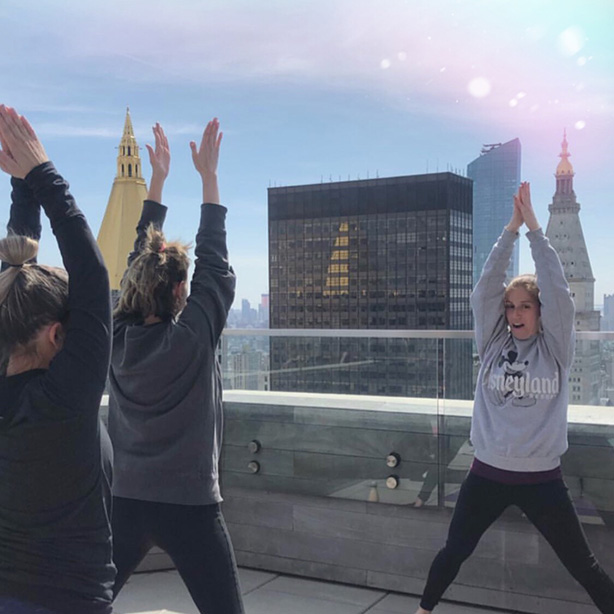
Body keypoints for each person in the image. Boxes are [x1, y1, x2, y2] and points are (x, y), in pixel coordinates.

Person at [414, 182, 614, 613]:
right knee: (453, 553)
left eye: (526, 307)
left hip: (543, 481)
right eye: (510, 307)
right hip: (485, 475)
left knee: (584, 566)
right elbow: (485, 288)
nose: (516, 314)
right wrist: (509, 230)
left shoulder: (556, 350)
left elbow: (560, 292)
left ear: (541, 313)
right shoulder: (491, 344)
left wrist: (536, 233)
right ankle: (422, 610)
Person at [108, 119, 243, 613]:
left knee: (86, 598)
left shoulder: (117, 338)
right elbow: (215, 262)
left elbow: (136, 266)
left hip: (126, 497)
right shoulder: (191, 340)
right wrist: (208, 176)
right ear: (180, 293)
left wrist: (158, 182)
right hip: (191, 504)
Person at [0, 105, 114, 613]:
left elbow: (15, 281)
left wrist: (27, 188)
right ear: (55, 334)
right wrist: (38, 176)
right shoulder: (65, 400)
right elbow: (93, 282)